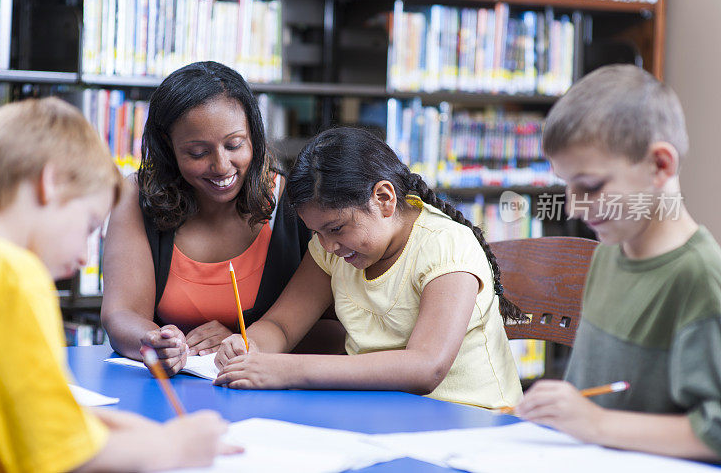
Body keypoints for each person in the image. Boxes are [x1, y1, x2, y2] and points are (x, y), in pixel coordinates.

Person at [0, 98, 237, 472]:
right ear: (49, 183)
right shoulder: (9, 274)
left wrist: (131, 431)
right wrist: (172, 447)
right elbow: (63, 459)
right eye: (89, 226)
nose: (86, 259)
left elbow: (20, 412)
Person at [214, 126, 524, 408]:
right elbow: (281, 325)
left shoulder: (445, 245)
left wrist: (287, 370)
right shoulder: (334, 250)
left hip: (472, 423)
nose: (327, 246)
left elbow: (426, 367)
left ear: (384, 199)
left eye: (336, 228)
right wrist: (251, 345)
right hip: (382, 415)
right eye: (316, 232)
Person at [513, 65, 721, 461]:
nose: (574, 206)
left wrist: (596, 424)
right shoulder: (611, 250)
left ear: (660, 166)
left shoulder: (699, 277)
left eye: (590, 187)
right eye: (566, 187)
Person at [101, 61, 342, 377]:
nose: (221, 165)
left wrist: (241, 340)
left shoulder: (295, 204)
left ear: (253, 135)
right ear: (167, 146)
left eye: (235, 144)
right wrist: (154, 342)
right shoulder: (137, 196)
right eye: (198, 153)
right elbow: (121, 315)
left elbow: (341, 332)